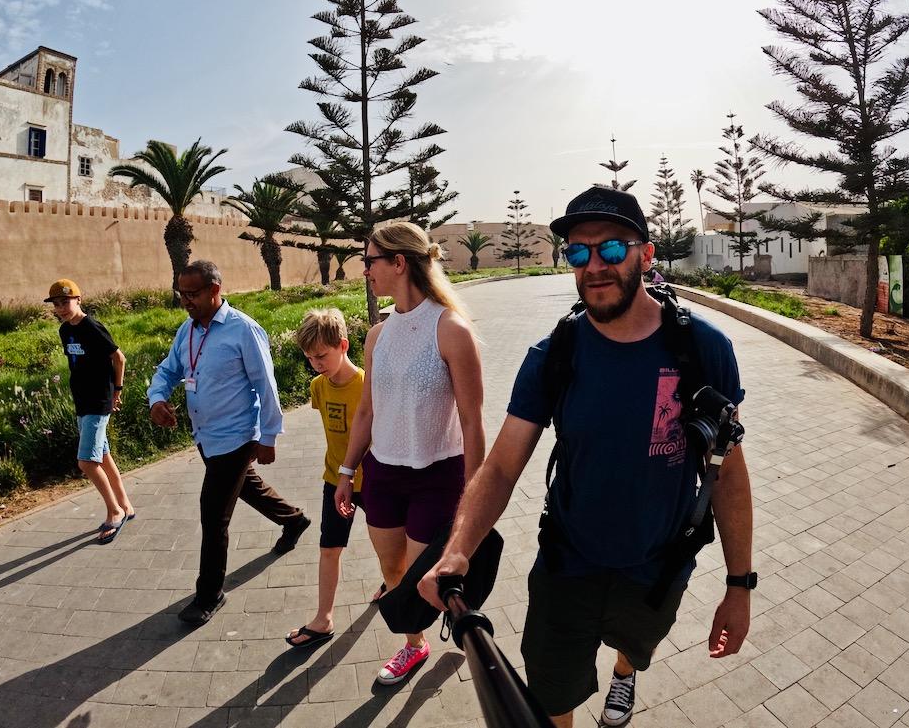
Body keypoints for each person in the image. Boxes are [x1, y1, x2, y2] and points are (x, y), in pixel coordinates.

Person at [418, 187, 754, 728]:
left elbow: (729, 475)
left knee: (634, 648)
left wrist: (739, 587)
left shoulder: (703, 350)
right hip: (566, 566)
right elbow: (502, 467)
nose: (595, 265)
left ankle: (624, 673)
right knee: (551, 699)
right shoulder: (554, 356)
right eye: (578, 252)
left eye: (613, 250)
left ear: (646, 255)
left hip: (658, 567)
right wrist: (458, 551)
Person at [333, 222, 486, 685]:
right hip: (382, 476)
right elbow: (365, 414)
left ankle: (447, 619)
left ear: (399, 263)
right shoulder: (378, 335)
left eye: (370, 260)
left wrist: (474, 499)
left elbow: (472, 421)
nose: (365, 271)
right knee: (392, 569)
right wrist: (346, 470)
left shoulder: (451, 329)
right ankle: (415, 646)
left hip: (437, 476)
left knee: (426, 575)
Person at [147, 260, 310, 625]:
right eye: (181, 294)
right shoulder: (186, 331)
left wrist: (268, 437)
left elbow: (265, 385)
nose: (185, 301)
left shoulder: (243, 331)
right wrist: (157, 398)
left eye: (193, 293)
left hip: (237, 437)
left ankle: (209, 595)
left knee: (213, 513)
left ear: (215, 290)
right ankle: (294, 520)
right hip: (205, 435)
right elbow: (168, 370)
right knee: (245, 487)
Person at [284, 308, 378, 648]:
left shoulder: (369, 384)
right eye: (309, 358)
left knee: (389, 551)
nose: (316, 363)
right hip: (335, 481)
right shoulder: (318, 387)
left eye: (322, 355)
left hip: (374, 482)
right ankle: (323, 619)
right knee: (329, 548)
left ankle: (393, 588)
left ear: (343, 345)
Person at [47, 278, 135, 545]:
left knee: (86, 461)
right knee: (103, 456)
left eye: (66, 302)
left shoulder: (92, 327)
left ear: (78, 300)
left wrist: (117, 391)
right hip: (82, 402)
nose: (61, 308)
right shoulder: (65, 331)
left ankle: (114, 511)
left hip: (99, 403)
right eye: (57, 304)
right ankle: (126, 505)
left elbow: (118, 358)